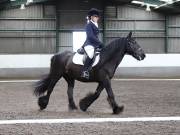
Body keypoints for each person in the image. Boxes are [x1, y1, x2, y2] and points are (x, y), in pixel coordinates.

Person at [81, 8, 103, 79]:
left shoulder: (96, 25)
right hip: (89, 44)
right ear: (91, 17)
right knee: (90, 54)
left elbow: (96, 37)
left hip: (95, 44)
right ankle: (84, 71)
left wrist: (99, 44)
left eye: (97, 17)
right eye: (94, 16)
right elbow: (90, 36)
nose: (96, 18)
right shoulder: (89, 25)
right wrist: (100, 43)